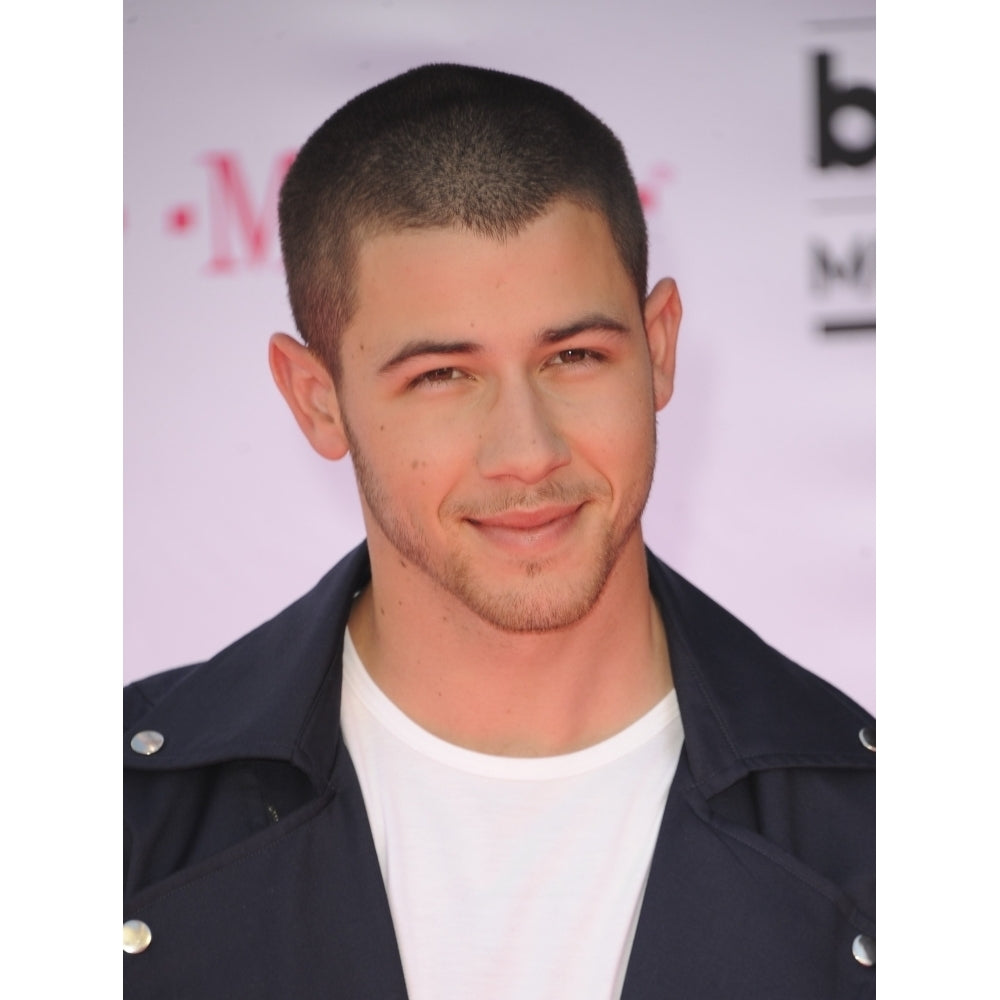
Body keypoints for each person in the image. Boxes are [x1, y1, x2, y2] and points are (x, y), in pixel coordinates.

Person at [124, 64, 875, 999]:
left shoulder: (890, 833)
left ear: (661, 348)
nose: (527, 451)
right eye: (443, 375)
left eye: (574, 356)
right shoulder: (106, 825)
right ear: (317, 401)